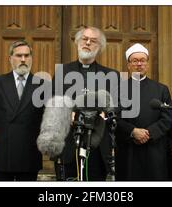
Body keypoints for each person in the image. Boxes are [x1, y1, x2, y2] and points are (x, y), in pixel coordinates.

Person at [53, 26, 119, 181]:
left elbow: (118, 105)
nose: (88, 43)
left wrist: (107, 112)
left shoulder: (110, 75)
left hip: (97, 145)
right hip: (68, 144)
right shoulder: (62, 71)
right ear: (77, 42)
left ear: (100, 47)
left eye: (93, 41)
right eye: (84, 39)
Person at [0, 40, 45, 181]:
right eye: (19, 55)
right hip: (2, 152)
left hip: (29, 153)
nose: (23, 59)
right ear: (10, 58)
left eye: (27, 55)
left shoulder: (42, 85)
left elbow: (44, 118)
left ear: (31, 58)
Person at [115, 43, 172, 181]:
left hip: (154, 149)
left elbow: (167, 118)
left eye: (142, 60)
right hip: (128, 149)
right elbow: (114, 117)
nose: (139, 64)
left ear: (147, 64)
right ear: (128, 65)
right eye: (135, 61)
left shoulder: (161, 89)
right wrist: (133, 131)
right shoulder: (118, 89)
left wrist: (148, 133)